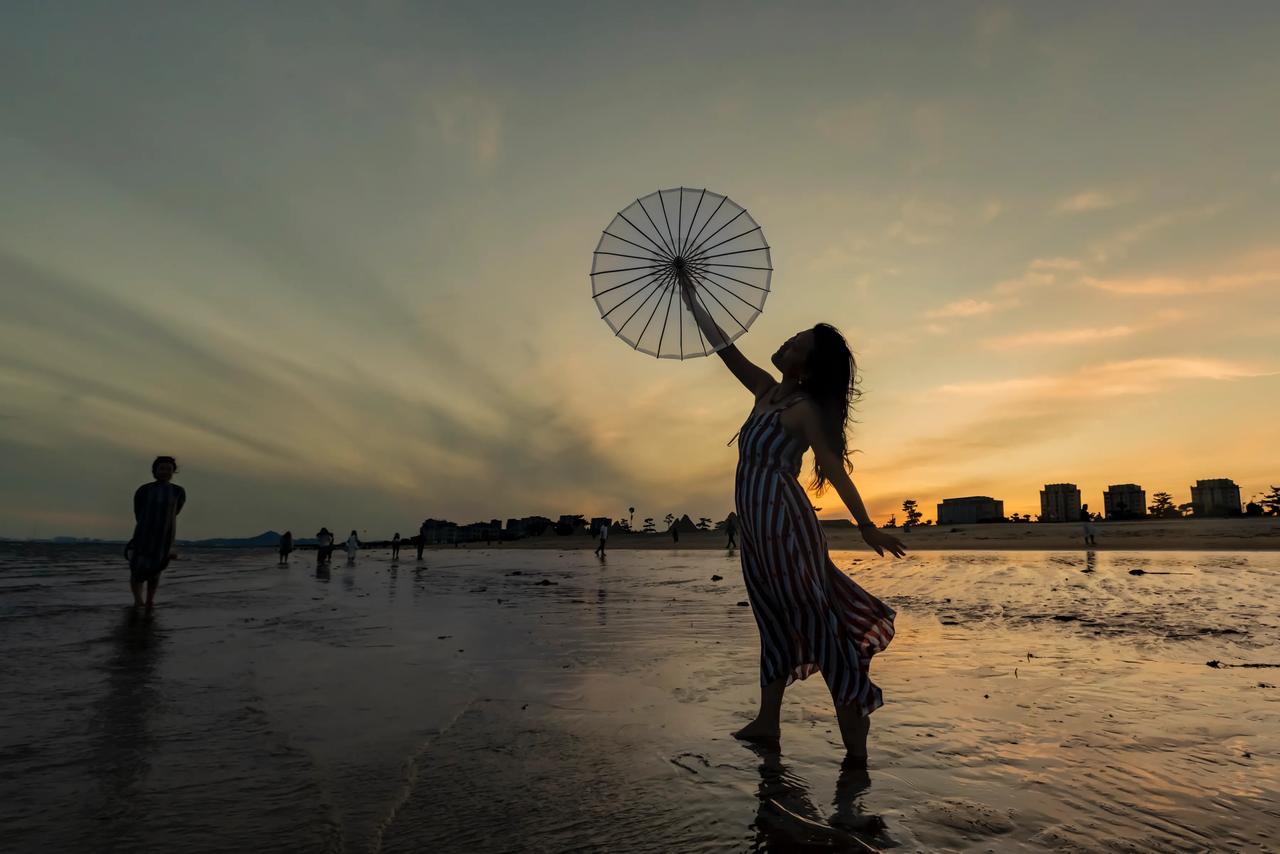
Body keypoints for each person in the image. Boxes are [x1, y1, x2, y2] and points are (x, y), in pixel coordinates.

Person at [681, 276, 905, 763]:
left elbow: (832, 469)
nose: (786, 341)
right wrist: (691, 296)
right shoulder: (764, 390)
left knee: (816, 621)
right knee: (771, 618)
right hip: (758, 535)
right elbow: (723, 346)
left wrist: (865, 524)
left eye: (797, 342)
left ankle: (855, 738)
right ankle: (767, 723)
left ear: (806, 365)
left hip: (786, 529)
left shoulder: (803, 411)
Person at [127, 456, 186, 610]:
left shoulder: (178, 491)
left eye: (169, 469)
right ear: (154, 471)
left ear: (173, 472)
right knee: (137, 568)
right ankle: (138, 600)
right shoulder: (144, 489)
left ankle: (150, 600)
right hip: (143, 533)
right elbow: (138, 511)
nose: (165, 472)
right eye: (161, 468)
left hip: (164, 535)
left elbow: (176, 511)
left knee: (156, 569)